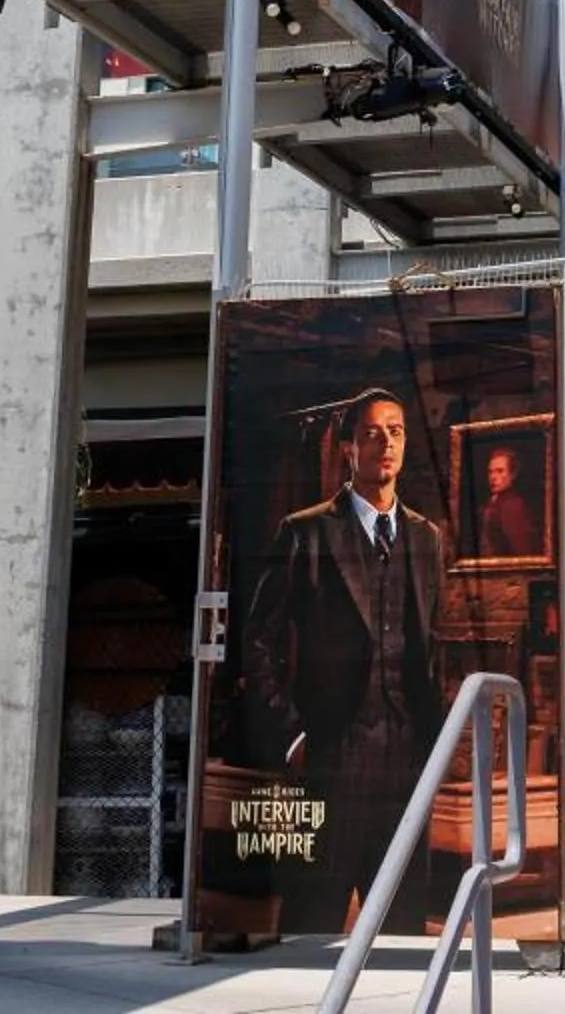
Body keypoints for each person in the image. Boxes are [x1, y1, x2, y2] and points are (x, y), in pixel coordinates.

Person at [235, 388, 448, 932]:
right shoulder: (306, 531)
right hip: (333, 751)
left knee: (403, 925)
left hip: (406, 756)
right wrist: (294, 736)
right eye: (374, 433)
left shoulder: (427, 539)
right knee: (314, 919)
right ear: (350, 448)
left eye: (396, 431)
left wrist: (436, 740)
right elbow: (256, 642)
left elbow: (433, 646)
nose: (387, 444)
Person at [476, 446, 542, 559]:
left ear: (513, 474)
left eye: (500, 471)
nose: (493, 477)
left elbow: (522, 550)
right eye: (490, 472)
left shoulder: (514, 505)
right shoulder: (492, 502)